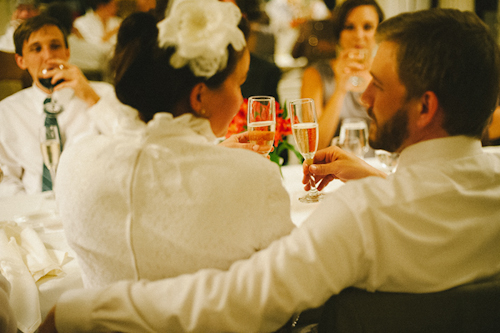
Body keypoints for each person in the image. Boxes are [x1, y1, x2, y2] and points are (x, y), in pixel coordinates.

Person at [39, 8, 500, 332]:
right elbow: (439, 198)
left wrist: (85, 311)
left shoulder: (364, 219)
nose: (364, 98)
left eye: (378, 85)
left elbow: (238, 301)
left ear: (425, 108)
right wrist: (377, 177)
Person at [53, 2, 294, 289]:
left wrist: (214, 156)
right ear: (199, 97)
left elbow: (153, 175)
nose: (241, 99)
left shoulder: (76, 157)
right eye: (238, 83)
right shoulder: (253, 177)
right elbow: (286, 280)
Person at [0, 14, 120, 197]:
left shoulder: (102, 94)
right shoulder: (7, 111)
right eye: (36, 49)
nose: (48, 56)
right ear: (21, 60)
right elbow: (8, 178)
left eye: (55, 46)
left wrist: (90, 99)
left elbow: (127, 143)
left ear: (67, 52)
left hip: (93, 203)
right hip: (33, 212)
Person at [301, 0, 384, 150]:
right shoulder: (316, 74)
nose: (359, 35)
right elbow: (312, 147)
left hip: (379, 168)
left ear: (379, 32)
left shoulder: (387, 73)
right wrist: (340, 88)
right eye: (349, 27)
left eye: (367, 27)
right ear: (339, 33)